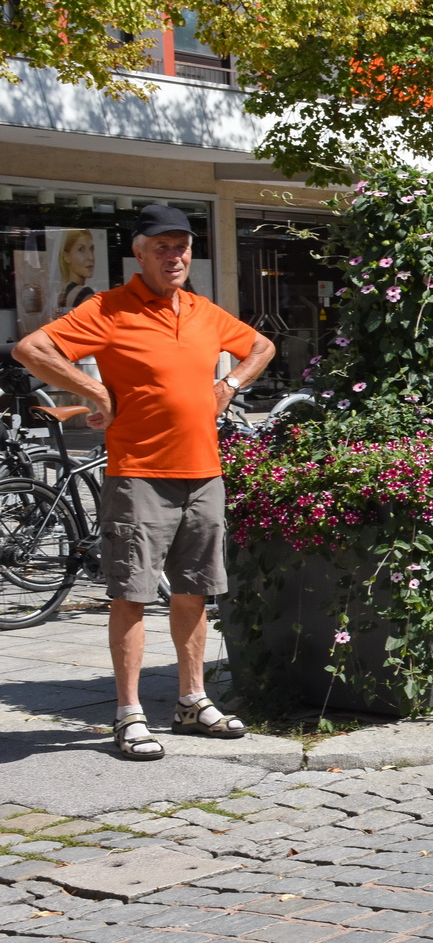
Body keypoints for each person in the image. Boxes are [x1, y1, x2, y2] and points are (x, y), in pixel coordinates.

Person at [13, 204, 276, 761]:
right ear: (138, 252)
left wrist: (227, 384)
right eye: (162, 246)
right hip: (139, 475)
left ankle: (191, 701)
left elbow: (261, 347)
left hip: (205, 473)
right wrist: (97, 393)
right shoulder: (108, 309)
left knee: (194, 591)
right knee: (131, 595)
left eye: (181, 246)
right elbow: (31, 349)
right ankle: (129, 714)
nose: (174, 256)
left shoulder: (204, 312)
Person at [56, 229, 99, 314]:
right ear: (66, 256)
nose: (90, 257)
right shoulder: (85, 294)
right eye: (81, 249)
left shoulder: (62, 294)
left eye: (91, 249)